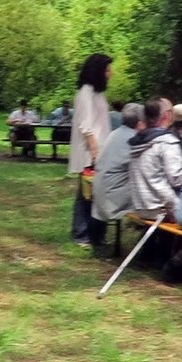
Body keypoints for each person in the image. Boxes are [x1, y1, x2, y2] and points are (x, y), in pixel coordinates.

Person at [68, 54, 114, 247]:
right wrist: (94, 152)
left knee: (99, 194)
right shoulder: (86, 92)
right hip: (90, 151)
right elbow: (86, 126)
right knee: (86, 194)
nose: (110, 73)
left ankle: (97, 234)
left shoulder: (98, 93)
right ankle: (80, 233)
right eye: (107, 69)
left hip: (102, 148)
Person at [128, 97, 182, 220]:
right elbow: (177, 178)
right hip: (163, 209)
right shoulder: (167, 142)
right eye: (171, 111)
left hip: (140, 207)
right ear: (166, 115)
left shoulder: (137, 141)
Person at [90, 103, 145, 225]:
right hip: (112, 203)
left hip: (99, 198)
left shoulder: (114, 133)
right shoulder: (134, 140)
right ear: (140, 124)